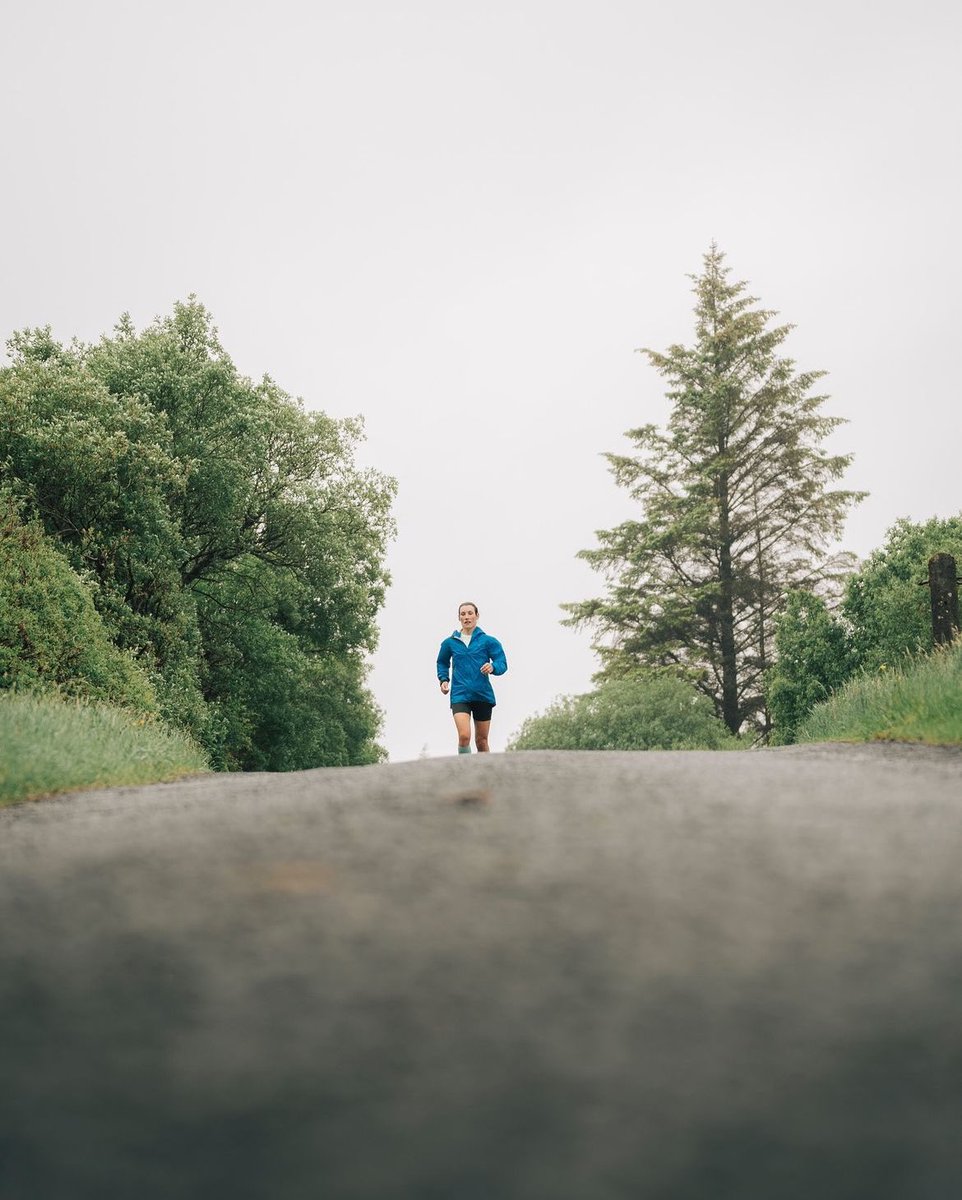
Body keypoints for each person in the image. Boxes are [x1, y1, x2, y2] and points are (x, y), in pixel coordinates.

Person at [436, 602, 508, 754]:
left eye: (470, 613)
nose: (467, 617)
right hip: (460, 695)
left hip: (482, 695)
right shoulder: (450, 643)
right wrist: (443, 679)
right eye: (463, 614)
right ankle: (465, 772)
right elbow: (442, 662)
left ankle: (485, 775)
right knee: (464, 736)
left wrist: (493, 667)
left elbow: (502, 662)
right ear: (459, 618)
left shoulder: (488, 641)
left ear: (477, 616)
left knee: (481, 741)